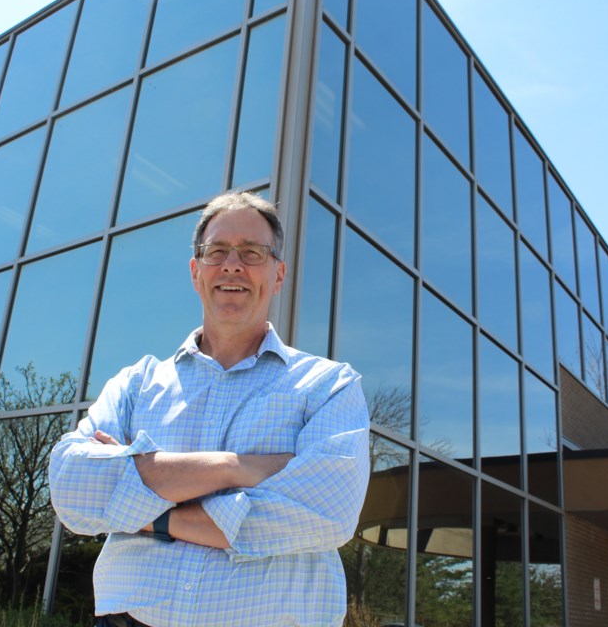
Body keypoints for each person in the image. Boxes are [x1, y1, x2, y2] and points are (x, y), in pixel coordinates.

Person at [49, 192, 370, 627]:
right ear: (195, 271)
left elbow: (324, 514)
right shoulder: (136, 385)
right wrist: (234, 468)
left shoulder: (328, 386)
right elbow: (73, 488)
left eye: (252, 253)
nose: (232, 264)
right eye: (216, 251)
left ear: (278, 275)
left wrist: (150, 512)